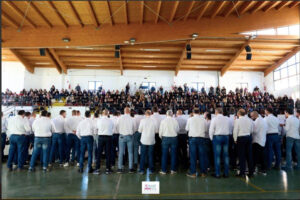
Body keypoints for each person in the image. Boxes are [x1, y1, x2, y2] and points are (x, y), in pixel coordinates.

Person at [209, 107, 230, 178]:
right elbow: (230, 128)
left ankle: (217, 173)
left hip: (217, 137)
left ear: (216, 112)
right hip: (226, 137)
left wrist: (211, 138)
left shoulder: (214, 119)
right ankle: (226, 173)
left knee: (217, 156)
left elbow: (211, 129)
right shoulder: (227, 119)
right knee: (226, 156)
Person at [186, 108, 207, 178]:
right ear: (199, 112)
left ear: (193, 112)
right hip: (201, 138)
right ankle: (203, 173)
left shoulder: (190, 119)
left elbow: (187, 129)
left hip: (193, 138)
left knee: (193, 156)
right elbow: (206, 129)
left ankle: (193, 173)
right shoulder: (203, 119)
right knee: (202, 156)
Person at [233, 109, 254, 178]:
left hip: (241, 138)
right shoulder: (249, 120)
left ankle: (242, 172)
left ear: (238, 114)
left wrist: (235, 139)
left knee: (242, 156)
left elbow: (235, 130)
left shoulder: (237, 121)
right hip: (248, 137)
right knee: (249, 156)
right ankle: (251, 172)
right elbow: (252, 130)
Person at [116, 107, 136, 173]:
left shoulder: (120, 118)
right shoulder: (132, 119)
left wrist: (120, 132)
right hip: (130, 136)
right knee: (130, 152)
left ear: (124, 111)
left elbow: (117, 127)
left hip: (122, 136)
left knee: (121, 152)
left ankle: (119, 168)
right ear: (129, 112)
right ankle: (130, 168)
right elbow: (134, 129)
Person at [159, 110, 179, 175]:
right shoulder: (175, 121)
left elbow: (160, 131)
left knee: (164, 155)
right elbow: (177, 130)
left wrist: (161, 137)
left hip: (165, 138)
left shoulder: (163, 121)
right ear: (172, 114)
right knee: (173, 154)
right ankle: (173, 170)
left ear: (166, 114)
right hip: (174, 138)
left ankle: (164, 170)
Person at [94, 109, 114, 174]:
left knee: (99, 153)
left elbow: (96, 129)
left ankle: (97, 169)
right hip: (108, 137)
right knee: (108, 153)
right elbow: (112, 129)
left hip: (101, 137)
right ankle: (108, 169)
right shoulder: (110, 121)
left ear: (102, 113)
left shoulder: (99, 120)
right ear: (108, 114)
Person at [138, 110, 157, 174]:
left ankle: (142, 170)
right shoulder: (154, 121)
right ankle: (151, 170)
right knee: (151, 155)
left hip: (144, 140)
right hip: (151, 140)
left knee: (143, 155)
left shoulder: (142, 121)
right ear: (151, 114)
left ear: (145, 114)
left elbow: (139, 130)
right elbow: (156, 131)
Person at [250, 111, 267, 175]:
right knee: (262, 156)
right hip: (262, 140)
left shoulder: (257, 121)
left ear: (254, 115)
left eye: (251, 116)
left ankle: (253, 170)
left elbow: (255, 131)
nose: (251, 117)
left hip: (257, 141)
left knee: (255, 156)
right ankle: (263, 170)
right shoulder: (263, 120)